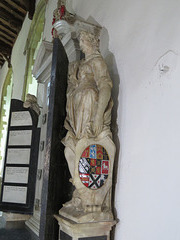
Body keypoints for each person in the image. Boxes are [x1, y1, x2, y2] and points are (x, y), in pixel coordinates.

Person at [62, 31, 113, 178]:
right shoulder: (82, 64)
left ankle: (85, 194)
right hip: (77, 113)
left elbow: (105, 86)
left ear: (93, 42)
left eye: (83, 41)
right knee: (71, 150)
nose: (81, 44)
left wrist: (98, 116)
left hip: (89, 108)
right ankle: (80, 192)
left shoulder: (97, 61)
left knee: (85, 149)